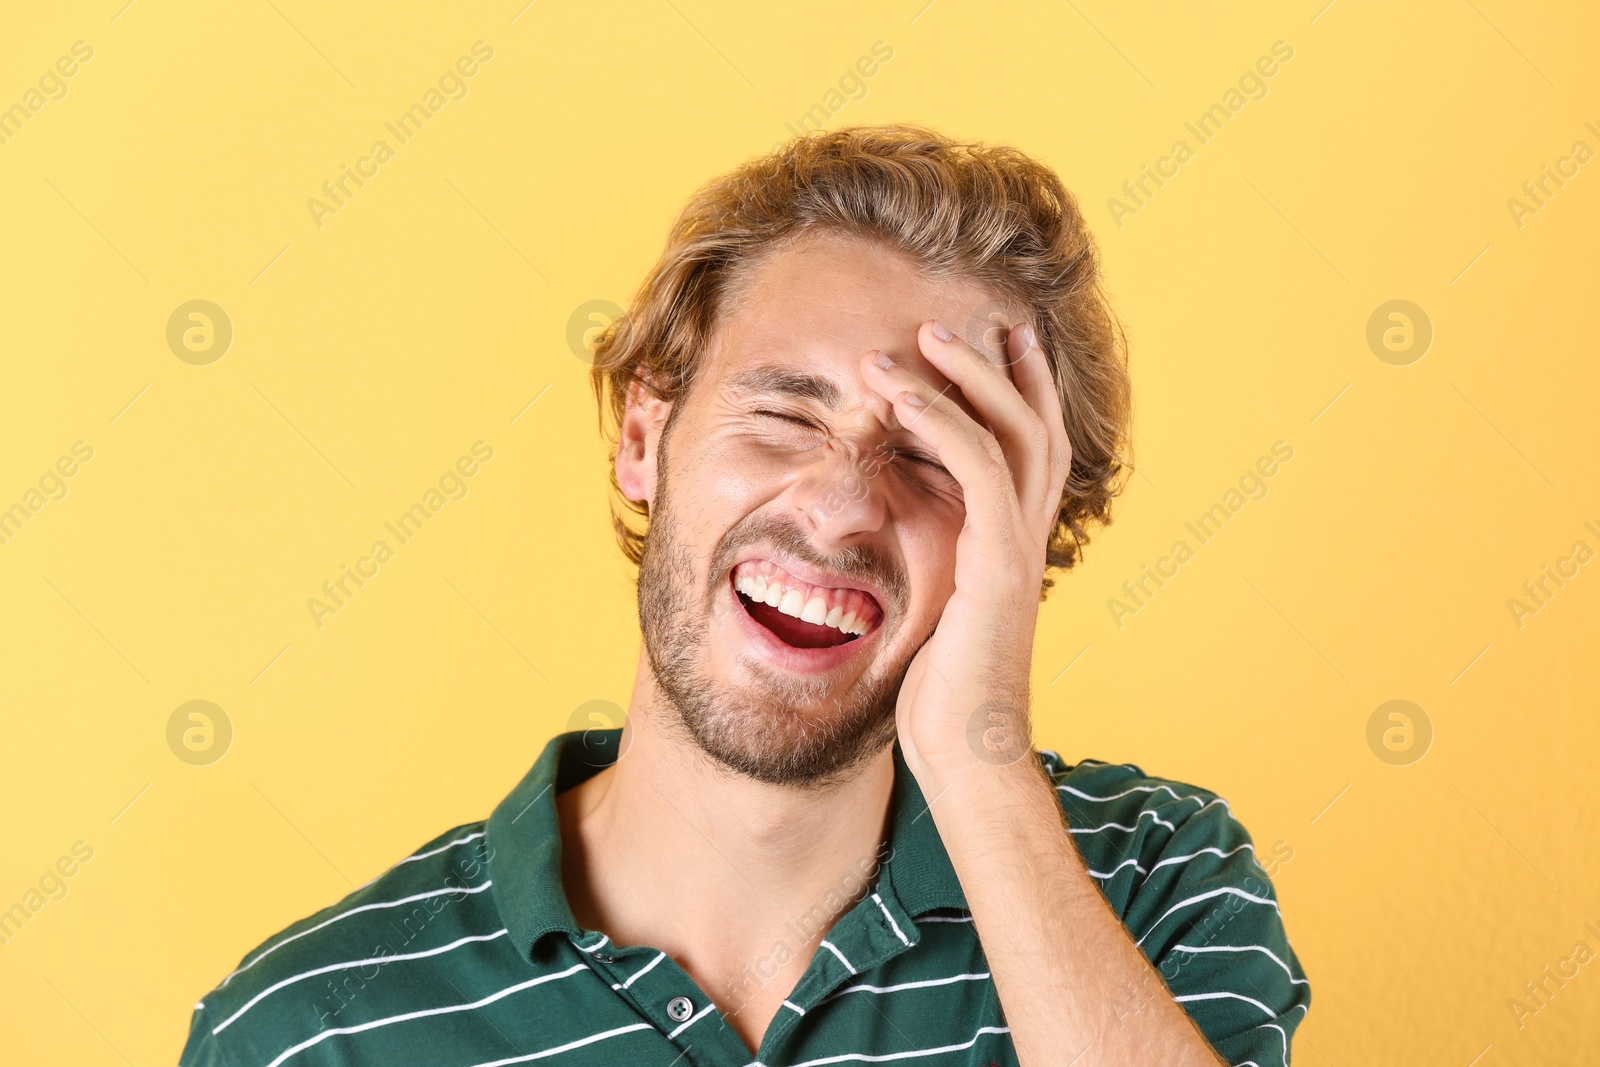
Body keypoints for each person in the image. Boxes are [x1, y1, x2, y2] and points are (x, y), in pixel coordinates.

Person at [179, 123, 1310, 1067]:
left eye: (937, 455)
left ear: (1026, 538)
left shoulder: (1156, 880)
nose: (838, 510)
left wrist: (980, 760)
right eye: (784, 414)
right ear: (642, 433)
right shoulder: (306, 1031)